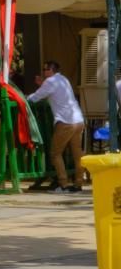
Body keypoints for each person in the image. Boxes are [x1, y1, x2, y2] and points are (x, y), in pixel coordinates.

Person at [26, 60, 85, 192]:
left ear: (52, 71)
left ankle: (62, 184)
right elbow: (52, 92)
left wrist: (24, 98)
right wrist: (43, 85)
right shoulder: (63, 79)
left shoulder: (50, 81)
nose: (44, 72)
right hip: (78, 120)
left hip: (65, 122)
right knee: (77, 153)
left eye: (46, 70)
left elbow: (36, 97)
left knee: (55, 153)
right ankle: (78, 182)